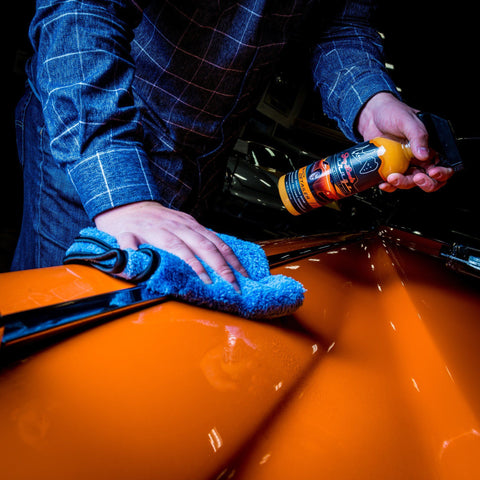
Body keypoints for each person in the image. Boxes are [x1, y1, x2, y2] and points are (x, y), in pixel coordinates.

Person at [12, 0, 452, 292]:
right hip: (98, 139)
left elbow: (335, 23)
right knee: (61, 318)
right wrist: (122, 195)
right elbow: (79, 11)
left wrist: (371, 99)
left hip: (201, 160)